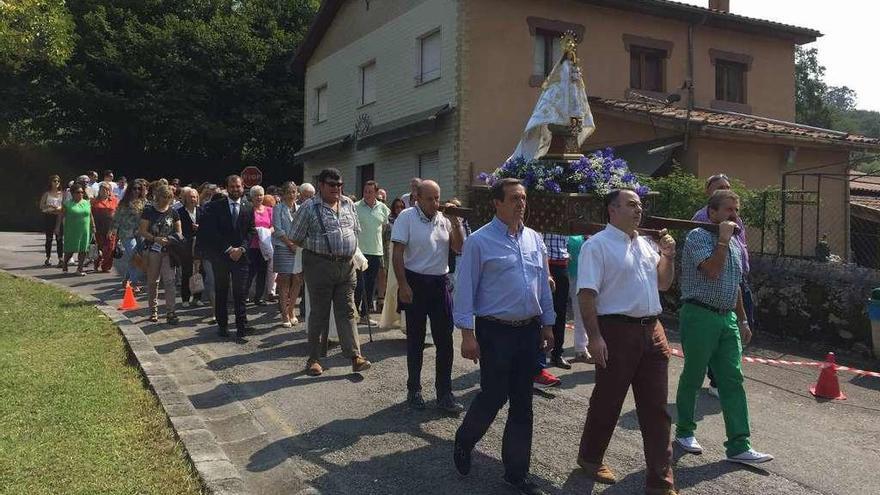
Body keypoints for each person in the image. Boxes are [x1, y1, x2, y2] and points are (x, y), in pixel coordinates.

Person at [452, 178, 556, 495]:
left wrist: (548, 325)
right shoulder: (479, 242)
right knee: (494, 396)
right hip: (494, 331)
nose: (520, 203)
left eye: (523, 198)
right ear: (497, 203)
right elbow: (465, 289)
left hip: (527, 330)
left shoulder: (535, 240)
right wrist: (467, 335)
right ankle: (465, 439)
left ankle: (516, 474)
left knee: (523, 403)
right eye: (513, 198)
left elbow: (543, 285)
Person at [575, 189, 678, 495]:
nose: (638, 210)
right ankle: (590, 457)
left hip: (652, 331)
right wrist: (594, 338)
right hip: (616, 331)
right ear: (612, 210)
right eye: (631, 205)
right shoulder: (597, 246)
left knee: (656, 409)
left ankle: (660, 483)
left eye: (640, 205)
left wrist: (668, 257)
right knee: (608, 400)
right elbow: (586, 294)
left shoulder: (647, 245)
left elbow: (663, 283)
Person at [675, 189, 773, 466]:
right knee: (693, 376)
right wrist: (722, 239)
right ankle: (684, 432)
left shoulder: (731, 243)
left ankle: (739, 445)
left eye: (736, 210)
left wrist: (742, 319)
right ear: (713, 212)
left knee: (733, 379)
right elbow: (712, 271)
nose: (734, 215)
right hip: (699, 314)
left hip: (726, 317)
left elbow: (735, 284)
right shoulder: (698, 237)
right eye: (728, 210)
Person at [287, 168, 371, 376]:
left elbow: (355, 231)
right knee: (319, 313)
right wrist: (318, 246)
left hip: (346, 266)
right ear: (321, 186)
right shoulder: (308, 207)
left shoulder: (348, 204)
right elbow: (294, 238)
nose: (336, 188)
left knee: (347, 310)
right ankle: (314, 359)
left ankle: (355, 357)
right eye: (332, 185)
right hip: (319, 265)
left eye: (339, 184)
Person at [391, 180, 464, 413]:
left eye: (438, 198)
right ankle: (414, 389)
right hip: (415, 281)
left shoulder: (444, 219)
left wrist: (455, 222)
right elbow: (398, 253)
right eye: (430, 199)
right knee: (416, 338)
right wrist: (403, 284)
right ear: (418, 198)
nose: (436, 203)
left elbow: (459, 248)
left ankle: (444, 393)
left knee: (445, 340)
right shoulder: (407, 217)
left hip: (439, 283)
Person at [692, 173, 752, 398]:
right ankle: (717, 381)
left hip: (739, 278)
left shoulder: (735, 219)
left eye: (727, 186)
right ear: (709, 193)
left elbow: (742, 244)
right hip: (716, 283)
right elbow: (709, 265)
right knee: (716, 335)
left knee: (743, 324)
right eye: (719, 187)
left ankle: (727, 375)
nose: (724, 190)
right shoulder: (701, 219)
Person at [198, 175, 256, 341]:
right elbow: (212, 232)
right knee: (221, 292)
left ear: (242, 186)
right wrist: (229, 249)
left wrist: (242, 249)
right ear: (227, 188)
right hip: (221, 257)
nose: (235, 189)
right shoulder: (215, 206)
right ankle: (222, 326)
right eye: (232, 187)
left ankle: (241, 329)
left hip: (242, 258)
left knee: (240, 293)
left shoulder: (248, 206)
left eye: (238, 186)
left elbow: (251, 231)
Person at [139, 184, 182, 324]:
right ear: (158, 196)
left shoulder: (173, 212)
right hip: (153, 250)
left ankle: (171, 311)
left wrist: (171, 239)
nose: (167, 200)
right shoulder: (149, 211)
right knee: (153, 281)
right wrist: (154, 238)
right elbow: (142, 231)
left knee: (170, 281)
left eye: (169, 197)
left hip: (168, 251)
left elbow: (179, 232)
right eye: (164, 197)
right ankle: (153, 310)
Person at [354, 180, 390, 324]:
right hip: (359, 252)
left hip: (376, 252)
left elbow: (385, 228)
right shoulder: (355, 207)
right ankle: (354, 314)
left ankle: (365, 315)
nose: (367, 194)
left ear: (376, 193)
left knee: (370, 286)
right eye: (365, 191)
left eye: (370, 192)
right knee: (358, 285)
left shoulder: (383, 208)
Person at [272, 181, 303, 327]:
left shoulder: (301, 208)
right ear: (283, 194)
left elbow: (303, 227)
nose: (292, 195)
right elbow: (278, 230)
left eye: (294, 191)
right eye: (289, 192)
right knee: (284, 281)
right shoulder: (278, 208)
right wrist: (290, 244)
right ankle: (284, 314)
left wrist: (296, 244)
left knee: (297, 279)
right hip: (283, 247)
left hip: (297, 247)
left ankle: (291, 311)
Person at [112, 179, 148, 290]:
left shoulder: (144, 202)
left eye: (139, 189)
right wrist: (113, 231)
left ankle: (126, 279)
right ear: (130, 189)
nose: (136, 191)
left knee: (135, 258)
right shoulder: (124, 202)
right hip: (126, 233)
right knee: (134, 256)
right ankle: (134, 283)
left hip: (140, 233)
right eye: (134, 188)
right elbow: (117, 217)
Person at [56, 183, 95, 276]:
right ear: (72, 193)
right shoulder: (68, 204)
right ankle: (65, 263)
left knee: (83, 249)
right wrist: (57, 227)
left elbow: (90, 215)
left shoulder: (86, 202)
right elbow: (61, 216)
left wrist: (93, 226)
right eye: (78, 192)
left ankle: (79, 269)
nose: (80, 194)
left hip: (85, 229)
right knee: (71, 249)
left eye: (82, 192)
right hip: (72, 230)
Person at [379, 198, 407, 329]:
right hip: (390, 255)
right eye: (397, 207)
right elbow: (383, 238)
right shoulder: (389, 222)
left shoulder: (407, 220)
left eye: (402, 207)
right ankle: (392, 317)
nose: (399, 209)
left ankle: (403, 319)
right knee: (393, 285)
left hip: (405, 256)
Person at [567, 235, 593, 364]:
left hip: (591, 279)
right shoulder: (573, 239)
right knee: (580, 314)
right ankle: (581, 349)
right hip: (576, 278)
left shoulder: (597, 238)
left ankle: (585, 347)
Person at [245, 186, 273, 306]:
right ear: (251, 197)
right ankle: (244, 295)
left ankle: (259, 297)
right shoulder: (248, 210)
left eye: (261, 194)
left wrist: (267, 231)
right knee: (250, 272)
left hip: (265, 245)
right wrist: (255, 231)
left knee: (263, 272)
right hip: (252, 245)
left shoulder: (269, 210)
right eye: (256, 195)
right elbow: (246, 227)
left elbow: (273, 226)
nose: (259, 197)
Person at [177, 187, 203, 307]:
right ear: (185, 198)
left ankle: (197, 298)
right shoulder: (180, 212)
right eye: (190, 197)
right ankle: (185, 298)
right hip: (186, 246)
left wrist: (200, 228)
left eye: (194, 197)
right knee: (187, 272)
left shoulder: (202, 211)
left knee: (199, 272)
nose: (193, 199)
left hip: (199, 245)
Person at [91, 181, 119, 273]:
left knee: (110, 248)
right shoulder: (94, 201)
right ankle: (96, 264)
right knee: (97, 247)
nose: (105, 191)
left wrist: (113, 229)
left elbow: (117, 216)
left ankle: (106, 266)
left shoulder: (115, 201)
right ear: (99, 190)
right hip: (97, 228)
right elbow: (90, 214)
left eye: (107, 189)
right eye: (103, 189)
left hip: (110, 228)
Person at [39, 175, 64, 267]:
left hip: (58, 216)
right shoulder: (47, 193)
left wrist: (59, 208)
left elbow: (64, 205)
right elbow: (41, 205)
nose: (56, 183)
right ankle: (48, 257)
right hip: (49, 216)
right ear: (51, 182)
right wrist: (50, 207)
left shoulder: (62, 194)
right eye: (54, 181)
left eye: (58, 181)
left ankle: (60, 258)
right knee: (49, 238)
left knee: (59, 238)